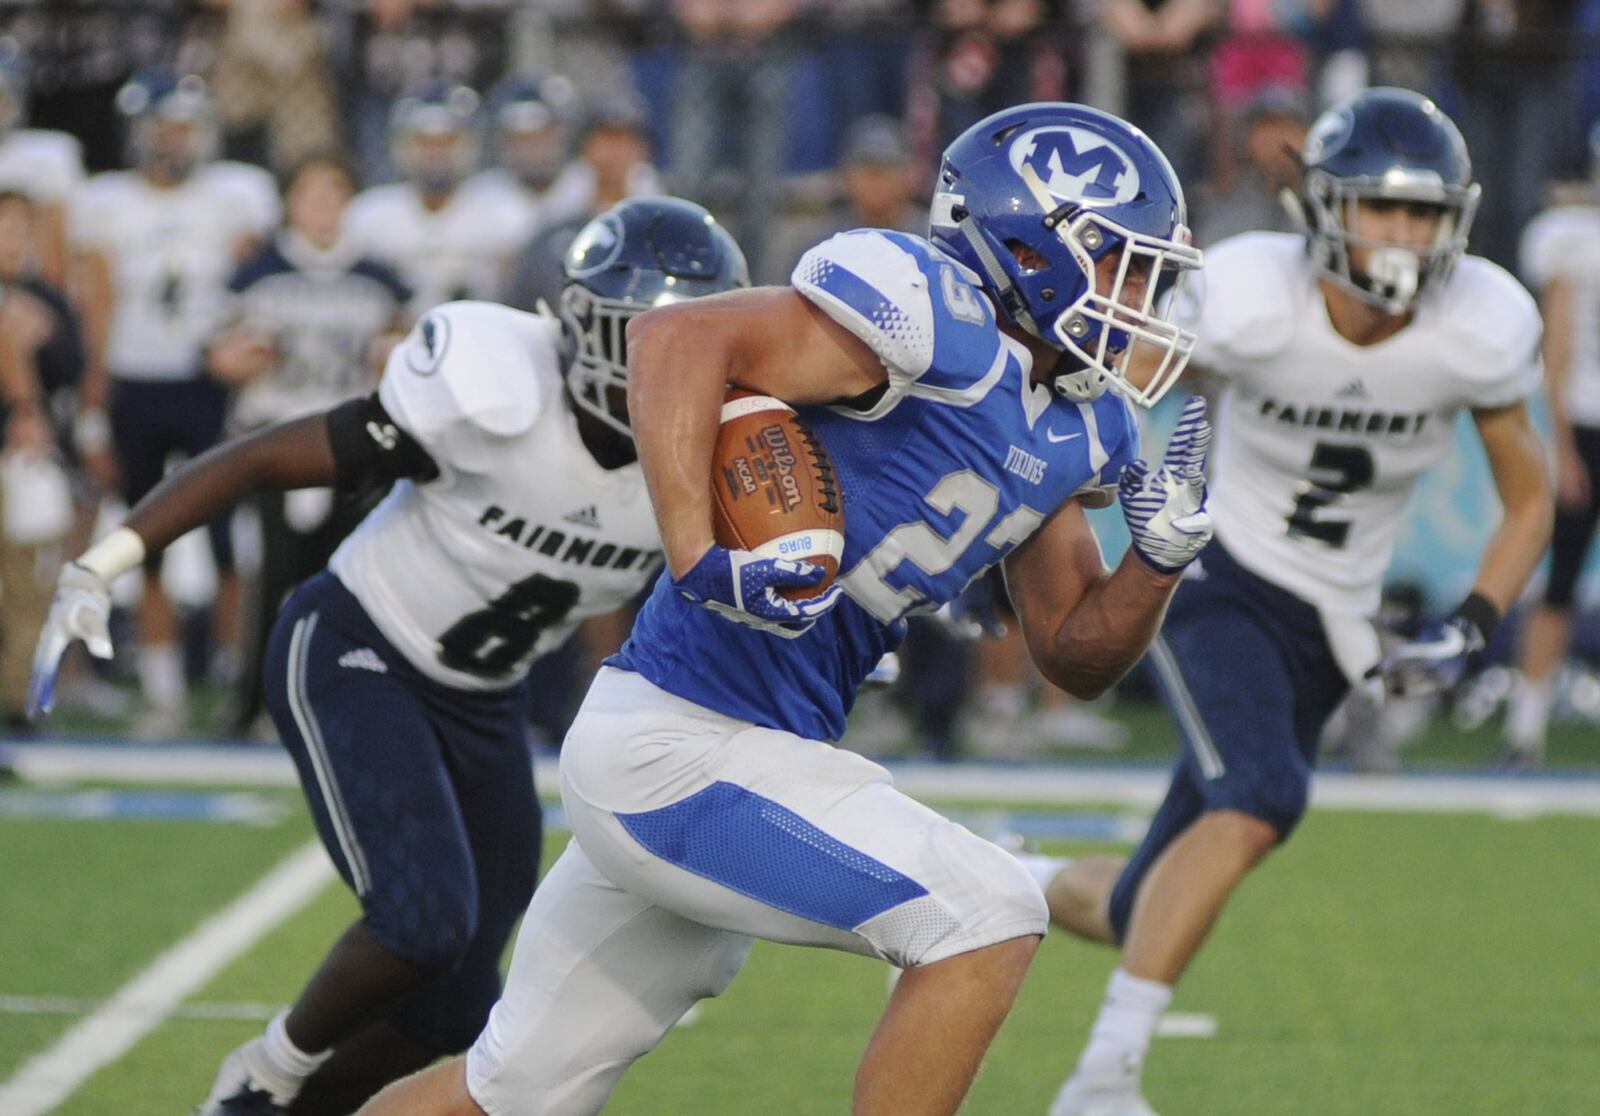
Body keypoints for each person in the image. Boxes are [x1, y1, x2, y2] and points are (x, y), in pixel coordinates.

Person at [356, 101, 1213, 1116]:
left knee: (508, 1091)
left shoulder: (1083, 422)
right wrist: (696, 553)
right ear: (1026, 243)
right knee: (986, 910)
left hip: (747, 753)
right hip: (681, 744)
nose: (1139, 294)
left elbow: (1072, 655)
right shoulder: (927, 311)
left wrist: (1154, 558)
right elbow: (675, 339)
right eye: (1117, 261)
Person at [27, 197, 751, 1116]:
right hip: (356, 645)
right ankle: (264, 1077)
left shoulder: (718, 458)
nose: (660, 358)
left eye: (685, 334)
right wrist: (110, 556)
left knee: (457, 1001)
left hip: (483, 696)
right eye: (637, 333)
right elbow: (258, 460)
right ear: (575, 326)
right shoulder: (496, 393)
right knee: (421, 922)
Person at [1037, 88, 1554, 1116]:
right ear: (1322, 206)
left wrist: (1475, 620)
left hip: (1335, 617)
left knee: (1147, 898)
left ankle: (1005, 879)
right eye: (1379, 208)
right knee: (1263, 796)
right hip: (1214, 573)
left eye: (1418, 212)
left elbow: (1530, 498)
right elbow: (1093, 400)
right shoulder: (1244, 294)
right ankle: (1100, 1083)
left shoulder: (1480, 323)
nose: (1401, 234)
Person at [70, 68, 280, 735]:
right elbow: (99, 304)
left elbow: (254, 292)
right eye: (162, 126)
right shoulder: (110, 201)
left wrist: (241, 368)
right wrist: (95, 402)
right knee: (145, 540)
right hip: (137, 380)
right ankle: (162, 689)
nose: (173, 139)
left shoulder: (233, 196)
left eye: (183, 125)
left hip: (209, 383)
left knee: (226, 544)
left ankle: (232, 679)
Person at [207, 152, 412, 737]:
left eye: (334, 192)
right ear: (290, 203)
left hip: (349, 442)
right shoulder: (258, 272)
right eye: (311, 193)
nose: (323, 207)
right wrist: (240, 355)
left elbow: (410, 356)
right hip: (275, 440)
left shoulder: (379, 276)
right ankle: (251, 701)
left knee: (344, 581)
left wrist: (392, 354)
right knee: (269, 577)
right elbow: (217, 357)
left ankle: (332, 698)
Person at [1504, 125, 1600, 767]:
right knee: (1561, 579)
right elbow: (1557, 348)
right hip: (1588, 423)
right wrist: (1560, 445)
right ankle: (1525, 730)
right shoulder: (1572, 240)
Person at [343, 82, 534, 318]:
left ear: (471, 145)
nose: (436, 153)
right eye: (424, 141)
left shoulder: (506, 212)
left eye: (448, 141)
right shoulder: (369, 213)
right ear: (401, 145)